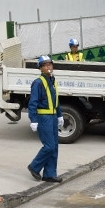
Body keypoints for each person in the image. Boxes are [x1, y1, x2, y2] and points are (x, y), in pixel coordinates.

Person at [27, 55, 64, 183]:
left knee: (54, 147)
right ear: (40, 68)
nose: (48, 67)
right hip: (44, 118)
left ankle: (49, 174)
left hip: (53, 117)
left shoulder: (53, 81)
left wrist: (59, 115)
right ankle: (34, 166)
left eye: (50, 64)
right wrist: (33, 120)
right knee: (49, 146)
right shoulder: (38, 83)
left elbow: (56, 100)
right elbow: (32, 103)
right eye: (45, 65)